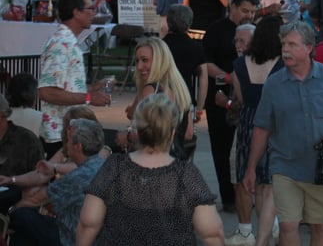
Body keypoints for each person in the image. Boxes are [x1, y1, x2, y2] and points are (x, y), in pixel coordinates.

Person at [244, 22, 323, 246]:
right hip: (285, 167)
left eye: (292, 44)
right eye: (283, 44)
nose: (285, 50)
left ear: (309, 48)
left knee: (320, 226)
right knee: (288, 225)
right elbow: (262, 127)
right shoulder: (274, 83)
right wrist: (251, 167)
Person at [77, 94, 224, 246]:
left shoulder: (114, 166)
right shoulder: (186, 174)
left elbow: (89, 222)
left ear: (138, 130)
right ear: (172, 133)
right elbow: (212, 232)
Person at [224, 16, 283, 246]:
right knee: (267, 181)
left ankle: (246, 231)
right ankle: (269, 229)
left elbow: (239, 98)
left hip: (249, 120)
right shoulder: (281, 64)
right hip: (273, 121)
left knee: (245, 176)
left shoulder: (241, 63)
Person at [203, 0, 259, 212]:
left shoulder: (256, 31)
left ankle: (248, 194)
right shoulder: (217, 30)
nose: (249, 15)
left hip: (248, 98)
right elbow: (205, 64)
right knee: (221, 149)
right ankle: (228, 198)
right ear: (232, 7)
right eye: (245, 10)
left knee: (249, 148)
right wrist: (229, 78)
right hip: (219, 96)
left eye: (253, 12)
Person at [9, 118, 105, 246]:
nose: (66, 144)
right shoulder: (104, 165)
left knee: (21, 215)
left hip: (71, 238)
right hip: (98, 236)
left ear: (78, 146)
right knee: (24, 235)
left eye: (69, 140)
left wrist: (11, 211)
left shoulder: (78, 176)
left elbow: (34, 200)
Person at [39, 0, 110, 157]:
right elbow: (47, 91)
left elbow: (65, 86)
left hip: (69, 132)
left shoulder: (68, 42)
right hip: (59, 135)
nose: (94, 13)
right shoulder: (60, 43)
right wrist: (88, 98)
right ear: (76, 12)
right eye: (90, 8)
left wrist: (92, 88)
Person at [122, 37, 195, 160]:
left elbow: (149, 138)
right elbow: (188, 134)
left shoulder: (151, 90)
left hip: (153, 163)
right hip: (176, 162)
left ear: (160, 61)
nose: (139, 66)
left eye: (145, 60)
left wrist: (128, 137)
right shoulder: (179, 88)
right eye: (137, 61)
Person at [163, 4, 207, 114]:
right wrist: (199, 109)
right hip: (186, 98)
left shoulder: (160, 46)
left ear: (168, 22)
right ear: (189, 23)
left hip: (162, 98)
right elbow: (203, 80)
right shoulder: (197, 47)